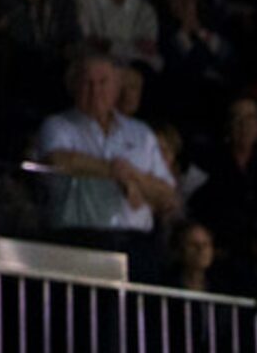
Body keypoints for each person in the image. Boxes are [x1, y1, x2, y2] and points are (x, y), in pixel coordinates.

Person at [38, 50, 178, 240]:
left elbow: (167, 195)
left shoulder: (141, 133)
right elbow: (56, 160)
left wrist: (133, 176)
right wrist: (113, 171)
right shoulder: (58, 125)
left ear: (117, 87)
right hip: (76, 237)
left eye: (103, 82)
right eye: (87, 83)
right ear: (73, 86)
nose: (95, 91)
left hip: (135, 239)